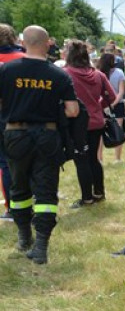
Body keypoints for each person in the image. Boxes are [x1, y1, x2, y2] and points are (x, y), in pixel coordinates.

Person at [0, 25, 79, 264]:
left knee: (18, 188)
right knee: (45, 191)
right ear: (47, 44)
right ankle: (42, 245)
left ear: (23, 43)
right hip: (47, 136)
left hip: (15, 136)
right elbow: (73, 110)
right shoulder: (59, 75)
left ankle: (25, 237)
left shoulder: (6, 70)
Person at [64, 41, 116, 207]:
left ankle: (87, 198)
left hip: (76, 123)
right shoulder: (98, 74)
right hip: (96, 121)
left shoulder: (66, 74)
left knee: (81, 160)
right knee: (93, 158)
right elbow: (112, 97)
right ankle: (99, 193)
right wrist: (95, 106)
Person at [1, 23, 27, 220]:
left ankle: (12, 208)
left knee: (5, 163)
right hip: (32, 119)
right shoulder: (28, 58)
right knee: (30, 162)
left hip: (4, 120)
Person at [98, 53, 125, 163]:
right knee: (118, 131)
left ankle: (99, 158)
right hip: (117, 105)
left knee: (100, 133)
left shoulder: (98, 73)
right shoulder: (119, 72)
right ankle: (117, 158)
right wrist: (113, 104)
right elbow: (121, 92)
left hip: (102, 105)